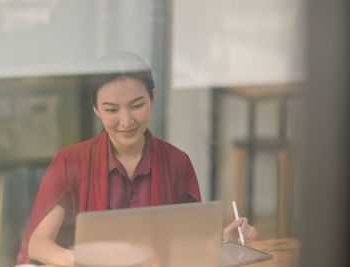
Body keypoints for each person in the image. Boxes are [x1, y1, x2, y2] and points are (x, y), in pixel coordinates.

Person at [16, 52, 257, 266]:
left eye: (137, 105)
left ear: (152, 97)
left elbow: (190, 245)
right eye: (111, 110)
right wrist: (77, 260)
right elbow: (38, 245)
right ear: (95, 108)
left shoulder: (177, 162)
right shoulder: (71, 161)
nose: (126, 121)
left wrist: (225, 244)